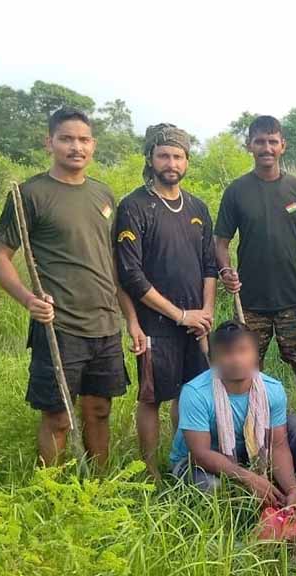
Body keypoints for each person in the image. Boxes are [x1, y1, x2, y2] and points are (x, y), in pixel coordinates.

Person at [0, 107, 130, 468]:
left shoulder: (103, 195)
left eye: (83, 140)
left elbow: (110, 260)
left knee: (99, 410)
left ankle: (98, 486)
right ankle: (50, 492)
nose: (75, 147)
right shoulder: (29, 195)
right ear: (49, 141)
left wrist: (127, 316)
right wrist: (29, 299)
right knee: (58, 417)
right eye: (66, 139)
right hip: (60, 325)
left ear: (93, 145)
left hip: (105, 324)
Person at [215, 115, 296, 450]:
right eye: (259, 142)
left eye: (272, 141)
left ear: (283, 145)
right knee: (249, 372)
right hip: (250, 303)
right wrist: (226, 272)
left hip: (293, 300)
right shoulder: (237, 191)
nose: (266, 148)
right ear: (249, 145)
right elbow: (221, 243)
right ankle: (255, 439)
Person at [114, 123, 218, 480]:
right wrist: (179, 315)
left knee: (189, 395)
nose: (171, 162)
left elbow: (209, 264)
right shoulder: (134, 206)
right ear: (150, 158)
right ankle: (150, 471)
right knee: (152, 397)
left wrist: (204, 312)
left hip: (196, 320)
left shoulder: (198, 207)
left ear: (187, 161)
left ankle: (181, 463)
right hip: (156, 323)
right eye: (163, 155)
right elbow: (130, 274)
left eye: (178, 156)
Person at [169, 321, 296, 500]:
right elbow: (200, 454)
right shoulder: (195, 393)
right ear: (212, 360)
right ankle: (247, 488)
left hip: (246, 454)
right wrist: (247, 478)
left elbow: (277, 446)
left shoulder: (272, 389)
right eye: (226, 353)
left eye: (243, 350)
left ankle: (274, 485)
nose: (236, 359)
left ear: (256, 356)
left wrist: (292, 490)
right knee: (213, 488)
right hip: (196, 462)